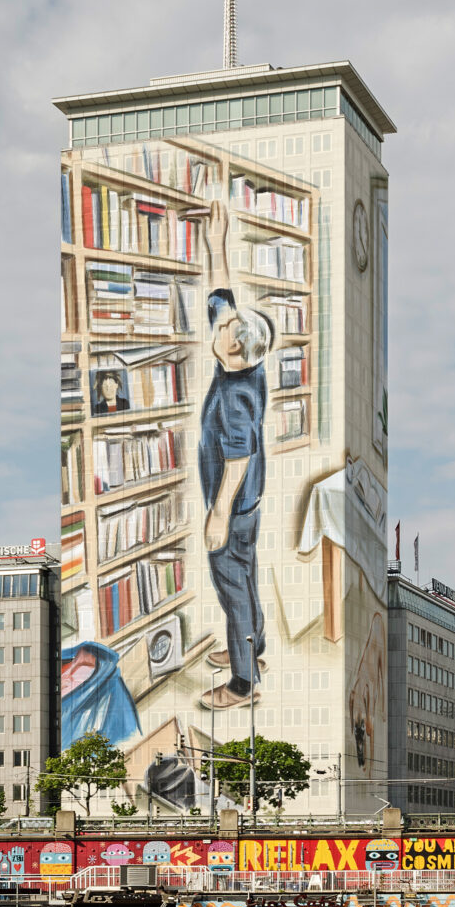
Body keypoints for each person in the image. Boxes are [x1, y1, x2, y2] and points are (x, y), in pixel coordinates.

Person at [198, 288, 272, 710]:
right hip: (250, 504)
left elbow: (238, 457)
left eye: (226, 327)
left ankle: (243, 683)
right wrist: (220, 301)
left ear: (235, 347)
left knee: (233, 590)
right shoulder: (248, 371)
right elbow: (219, 307)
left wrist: (218, 514)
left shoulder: (232, 396)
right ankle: (251, 647)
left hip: (234, 506)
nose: (219, 326)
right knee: (246, 578)